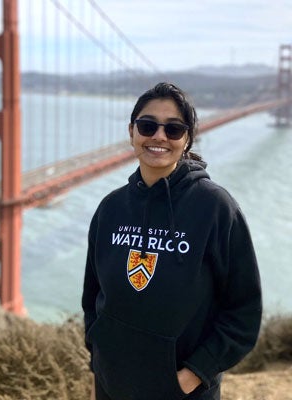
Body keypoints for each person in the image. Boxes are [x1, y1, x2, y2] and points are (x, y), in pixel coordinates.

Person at [81, 82, 262, 400]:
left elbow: (243, 312)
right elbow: (92, 297)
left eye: (174, 129)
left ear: (188, 138)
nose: (159, 137)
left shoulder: (215, 208)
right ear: (132, 131)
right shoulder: (110, 208)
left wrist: (192, 376)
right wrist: (100, 359)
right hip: (111, 386)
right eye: (147, 125)